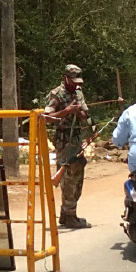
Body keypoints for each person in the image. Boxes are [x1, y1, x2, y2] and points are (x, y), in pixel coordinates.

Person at [45, 64, 92, 229]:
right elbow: (46, 117)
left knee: (77, 175)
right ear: (65, 78)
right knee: (69, 177)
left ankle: (66, 214)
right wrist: (67, 111)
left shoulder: (78, 93)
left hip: (77, 139)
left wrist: (80, 114)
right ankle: (70, 215)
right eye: (73, 81)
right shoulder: (56, 94)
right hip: (64, 139)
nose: (76, 85)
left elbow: (86, 115)